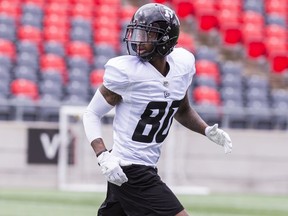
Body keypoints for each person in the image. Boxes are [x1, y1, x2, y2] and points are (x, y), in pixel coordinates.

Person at [83, 3, 232, 216]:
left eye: (147, 34)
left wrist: (206, 130)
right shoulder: (126, 72)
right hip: (130, 168)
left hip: (144, 167)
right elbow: (91, 114)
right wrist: (102, 155)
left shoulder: (182, 65)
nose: (139, 40)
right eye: (138, 32)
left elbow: (181, 109)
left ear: (166, 38)